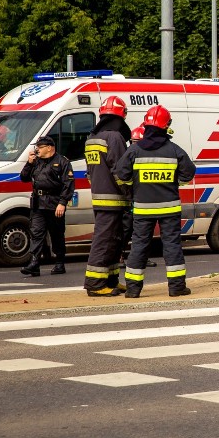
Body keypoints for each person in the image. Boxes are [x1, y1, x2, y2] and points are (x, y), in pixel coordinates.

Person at [114, 105, 196, 298]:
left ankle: (133, 289)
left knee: (139, 247)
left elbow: (121, 174)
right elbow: (189, 173)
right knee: (172, 246)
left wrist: (135, 185)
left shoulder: (134, 150)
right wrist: (174, 182)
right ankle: (176, 287)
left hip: (143, 209)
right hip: (169, 208)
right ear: (166, 126)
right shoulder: (174, 150)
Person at [82, 96, 132, 297]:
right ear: (121, 116)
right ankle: (95, 283)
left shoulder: (92, 138)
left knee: (113, 240)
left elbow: (89, 172)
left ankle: (110, 279)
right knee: (104, 241)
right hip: (113, 198)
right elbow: (121, 171)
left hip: (101, 197)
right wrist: (130, 193)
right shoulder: (114, 138)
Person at [19, 136, 74, 276]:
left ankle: (59, 263)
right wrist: (29, 163)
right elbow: (24, 177)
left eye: (40, 147)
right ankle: (34, 263)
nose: (37, 149)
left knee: (56, 234)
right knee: (36, 233)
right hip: (38, 203)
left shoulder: (62, 162)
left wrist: (62, 203)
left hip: (54, 202)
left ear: (49, 147)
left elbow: (68, 184)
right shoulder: (36, 162)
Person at [117, 124, 157, 269]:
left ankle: (143, 257)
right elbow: (122, 176)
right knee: (126, 229)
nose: (135, 144)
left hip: (141, 198)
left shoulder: (145, 154)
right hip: (130, 198)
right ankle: (120, 256)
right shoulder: (128, 155)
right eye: (134, 142)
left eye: (137, 142)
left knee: (143, 231)